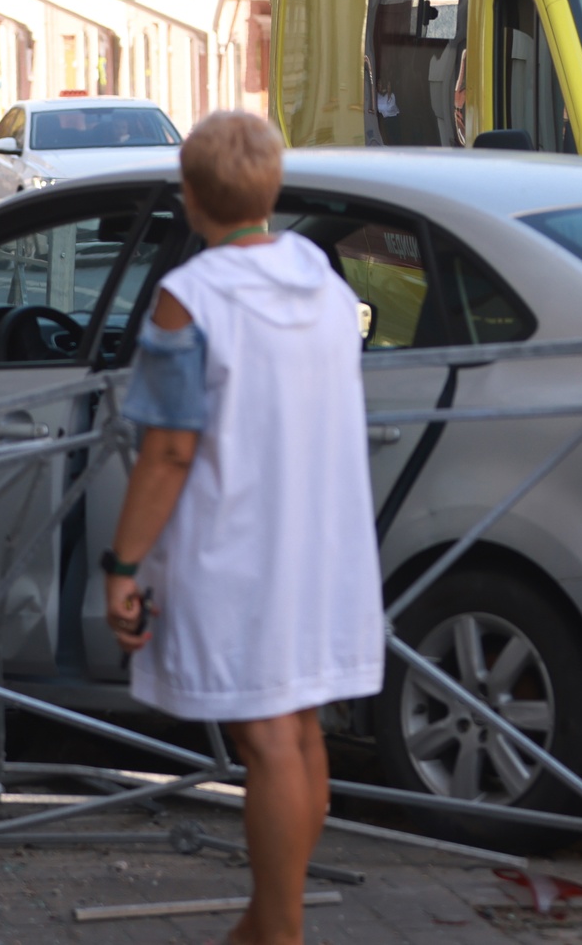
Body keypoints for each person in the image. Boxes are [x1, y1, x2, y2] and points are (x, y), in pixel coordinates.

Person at [104, 112, 379, 945]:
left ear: (190, 199)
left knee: (266, 744)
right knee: (298, 731)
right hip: (322, 540)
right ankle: (264, 926)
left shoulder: (191, 299)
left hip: (236, 542)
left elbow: (169, 452)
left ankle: (281, 934)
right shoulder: (322, 281)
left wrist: (122, 564)